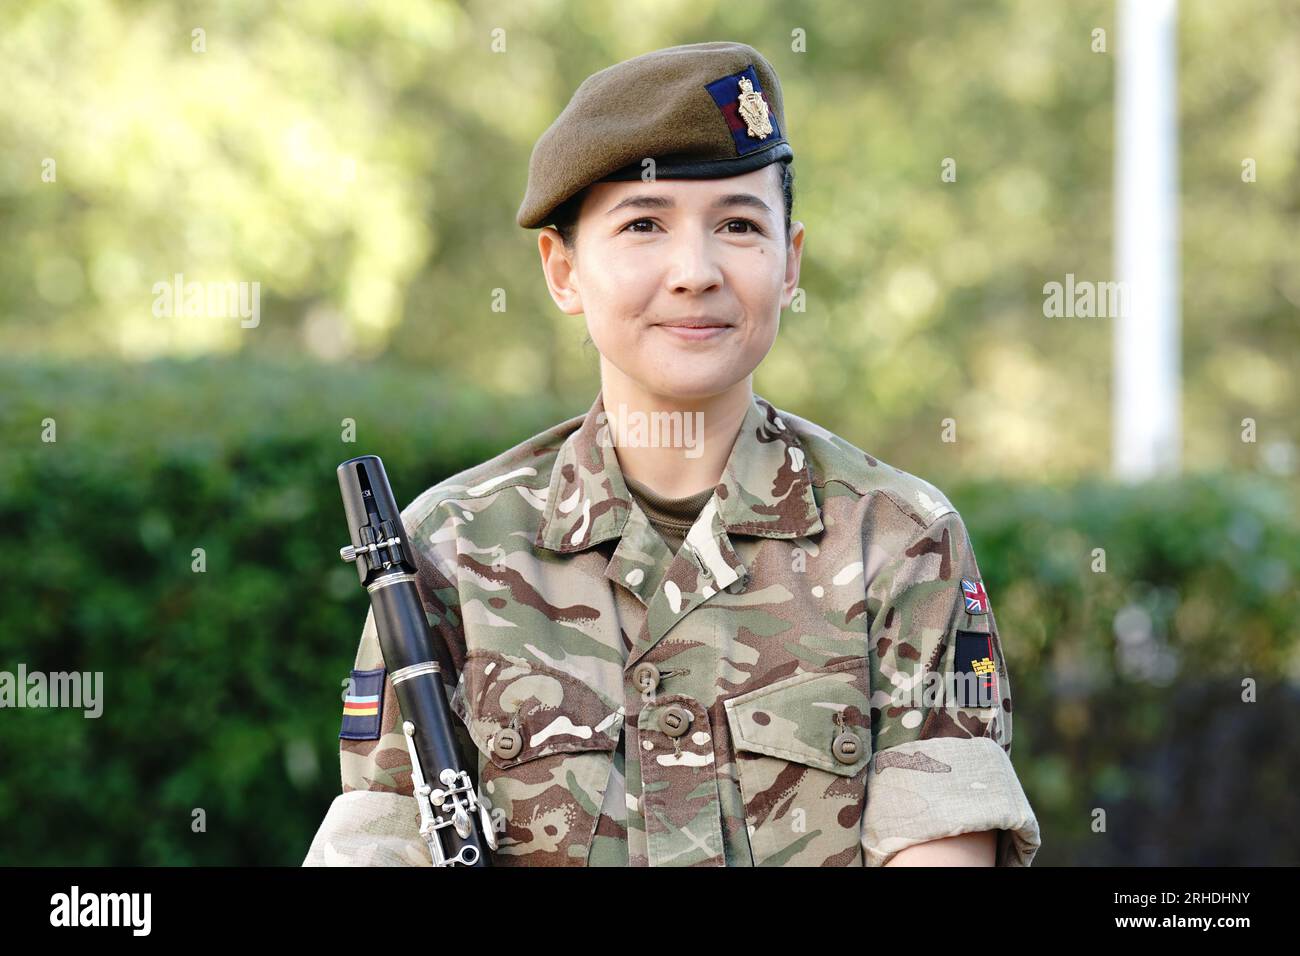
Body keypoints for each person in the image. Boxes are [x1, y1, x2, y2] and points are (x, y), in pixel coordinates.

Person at [304, 40, 1040, 867]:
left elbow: (940, 849)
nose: (694, 271)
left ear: (790, 263)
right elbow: (383, 840)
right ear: (562, 270)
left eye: (736, 225)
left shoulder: (898, 541)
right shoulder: (450, 551)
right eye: (644, 225)